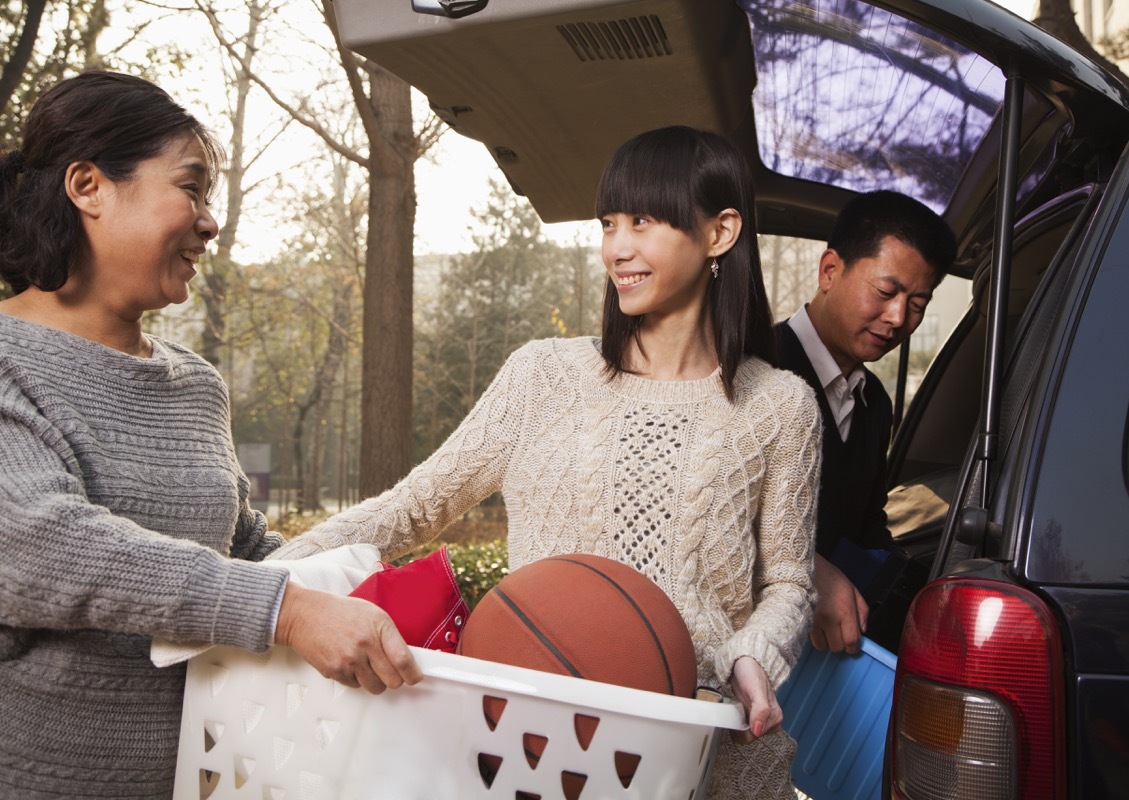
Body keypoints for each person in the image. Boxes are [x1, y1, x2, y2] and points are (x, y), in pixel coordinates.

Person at [272, 125, 822, 799]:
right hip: (531, 744)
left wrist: (754, 655)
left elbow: (791, 583)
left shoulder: (781, 405)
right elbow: (413, 508)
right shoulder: (543, 376)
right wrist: (263, 587)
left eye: (643, 222)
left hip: (695, 745)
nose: (617, 248)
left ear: (720, 233)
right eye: (608, 223)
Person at [0, 71, 421, 799]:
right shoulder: (10, 364)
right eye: (190, 188)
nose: (209, 220)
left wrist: (366, 586)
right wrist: (288, 611)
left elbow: (238, 545)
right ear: (88, 185)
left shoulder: (196, 386)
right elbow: (43, 544)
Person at [773, 190, 957, 654]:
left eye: (917, 304)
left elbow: (867, 528)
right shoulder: (754, 368)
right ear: (830, 271)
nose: (897, 318)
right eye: (885, 292)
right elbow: (711, 514)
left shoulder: (875, 402)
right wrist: (808, 571)